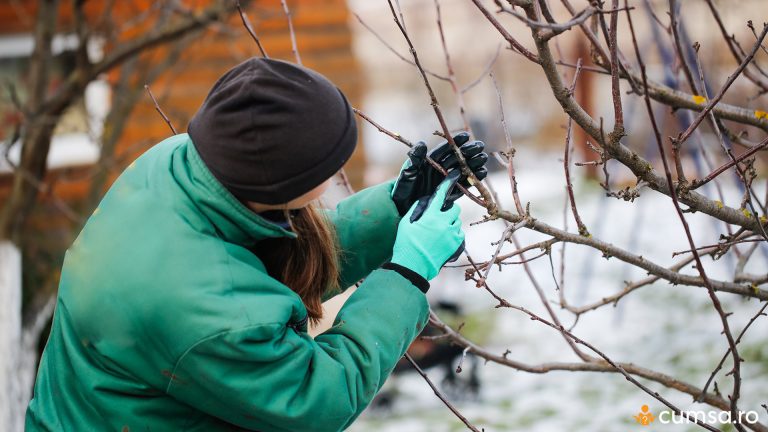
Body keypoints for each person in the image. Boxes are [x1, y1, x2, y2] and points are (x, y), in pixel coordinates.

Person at [25, 58, 488, 431]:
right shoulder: (207, 312)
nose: (333, 180)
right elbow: (315, 398)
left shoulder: (176, 165)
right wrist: (406, 274)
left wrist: (393, 210)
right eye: (329, 168)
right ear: (285, 187)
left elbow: (260, 265)